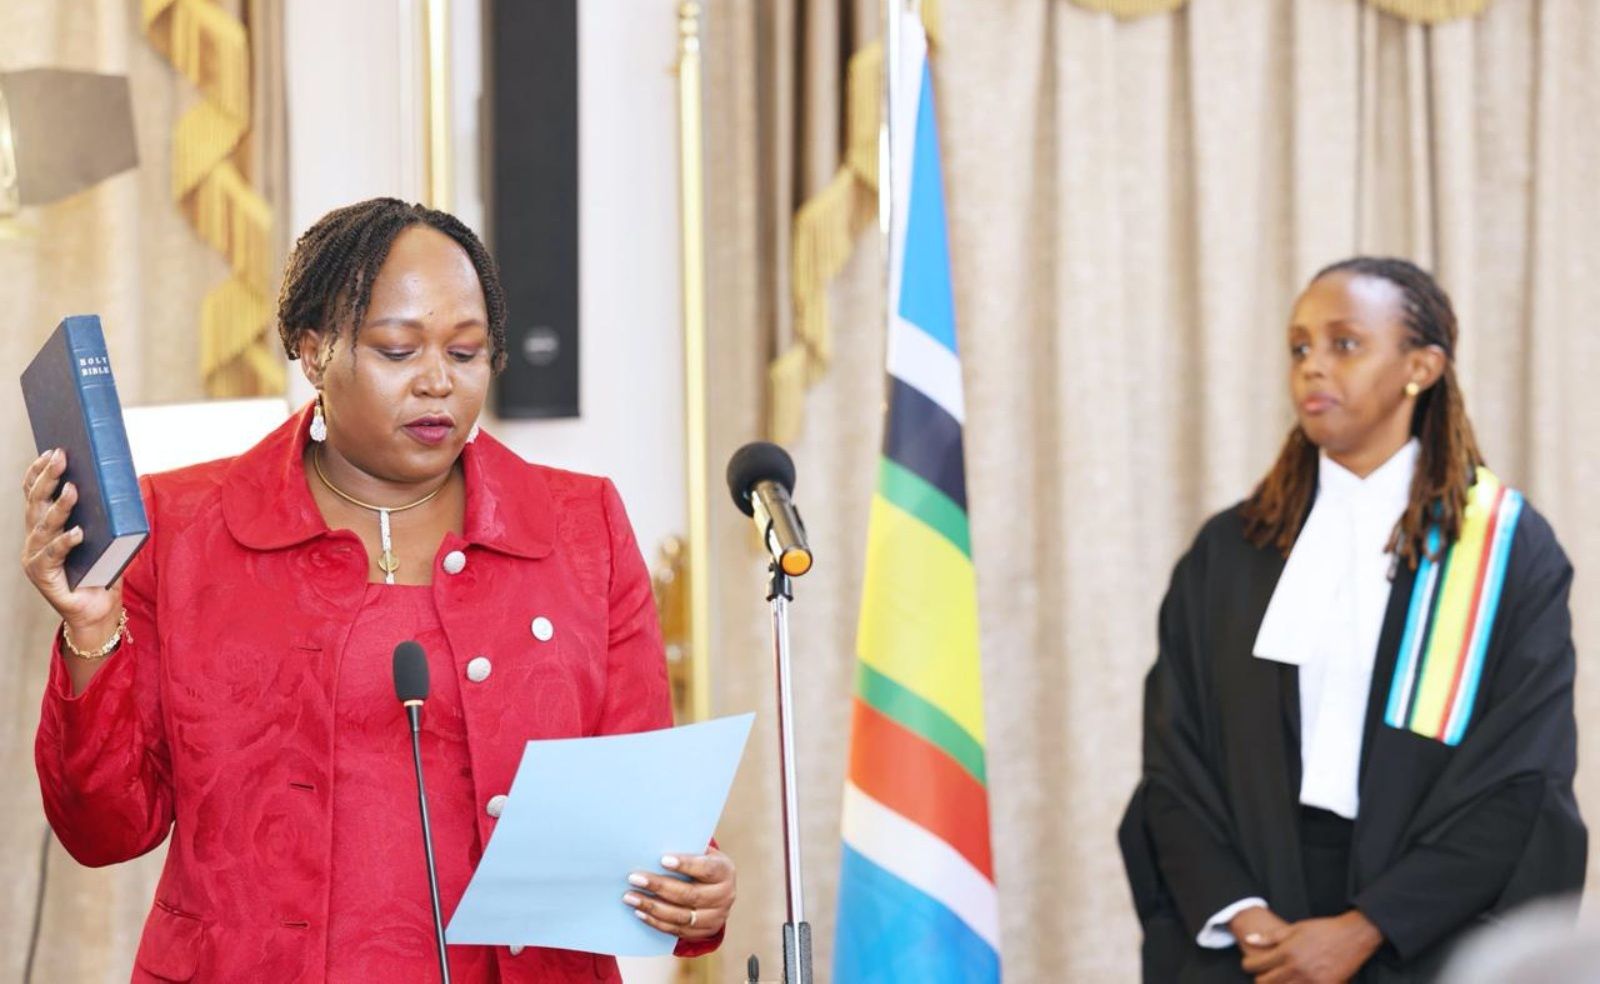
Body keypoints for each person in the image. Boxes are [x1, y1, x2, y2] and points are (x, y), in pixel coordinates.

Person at [23, 198, 736, 982]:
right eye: (399, 351)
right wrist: (91, 628)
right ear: (313, 349)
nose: (438, 383)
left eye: (466, 354)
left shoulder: (579, 527)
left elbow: (637, 827)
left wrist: (689, 891)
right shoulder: (184, 527)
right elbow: (106, 831)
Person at [1119, 257, 1585, 983]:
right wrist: (1245, 915)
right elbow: (1175, 761)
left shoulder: (1503, 552)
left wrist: (1367, 929)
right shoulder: (1232, 550)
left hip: (1423, 929)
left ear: (1421, 367)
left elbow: (1519, 777)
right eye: (1299, 347)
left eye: (1344, 344)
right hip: (1255, 926)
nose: (1312, 368)